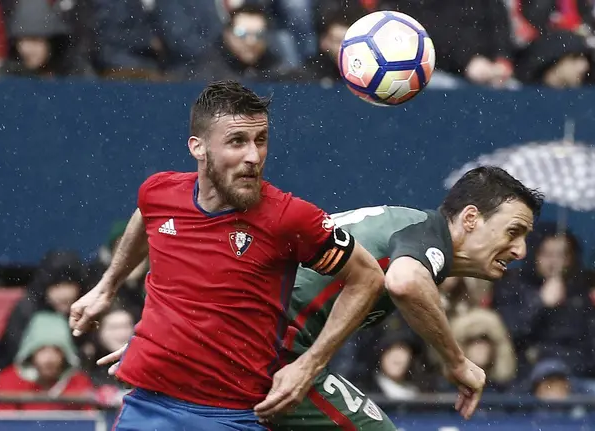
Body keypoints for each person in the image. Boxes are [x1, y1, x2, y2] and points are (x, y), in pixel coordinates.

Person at [100, 166, 545, 429]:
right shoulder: (425, 241)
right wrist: (457, 362)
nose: (522, 249)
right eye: (514, 231)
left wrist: (180, 333)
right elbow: (405, 282)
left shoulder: (405, 225)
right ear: (469, 218)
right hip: (270, 357)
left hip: (249, 344)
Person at [68, 80, 386, 431]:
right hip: (148, 405)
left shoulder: (290, 217)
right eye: (237, 141)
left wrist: (309, 364)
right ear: (198, 148)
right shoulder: (160, 191)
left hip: (235, 416)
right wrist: (107, 287)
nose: (253, 156)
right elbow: (146, 214)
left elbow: (367, 276)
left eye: (260, 140)